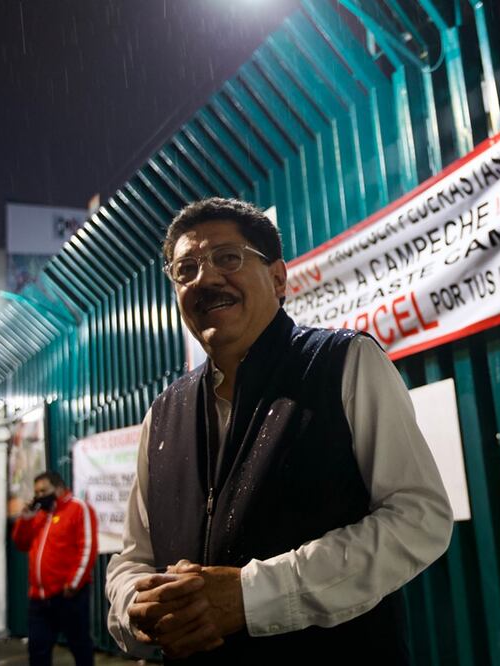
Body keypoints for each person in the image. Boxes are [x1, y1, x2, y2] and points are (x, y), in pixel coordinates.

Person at [105, 198, 453, 663]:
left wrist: (251, 596)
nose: (205, 279)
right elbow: (132, 557)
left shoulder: (343, 364)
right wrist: (135, 605)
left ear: (277, 277)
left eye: (227, 258)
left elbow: (418, 519)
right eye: (185, 269)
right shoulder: (162, 414)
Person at [11, 471, 98, 666]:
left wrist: (74, 583)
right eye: (37, 491)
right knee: (38, 651)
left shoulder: (77, 508)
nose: (40, 495)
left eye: (44, 490)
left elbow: (87, 547)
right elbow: (21, 543)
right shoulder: (38, 514)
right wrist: (24, 519)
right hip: (38, 599)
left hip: (68, 595)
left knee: (80, 646)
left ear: (58, 488)